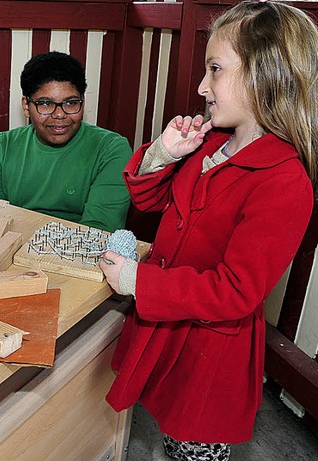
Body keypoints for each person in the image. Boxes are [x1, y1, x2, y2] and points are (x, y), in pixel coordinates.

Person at [99, 2, 318, 460]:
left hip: (210, 352)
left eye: (215, 69)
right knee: (164, 424)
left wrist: (138, 281)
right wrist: (164, 153)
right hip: (169, 323)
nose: (201, 86)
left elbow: (236, 291)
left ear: (267, 76)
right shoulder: (212, 144)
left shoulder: (285, 183)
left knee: (193, 443)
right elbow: (151, 202)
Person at [0, 51, 132, 232]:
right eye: (45, 104)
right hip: (11, 250)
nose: (59, 114)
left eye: (71, 103)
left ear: (83, 102)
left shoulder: (111, 149)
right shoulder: (3, 146)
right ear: (26, 106)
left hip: (81, 254)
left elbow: (98, 231)